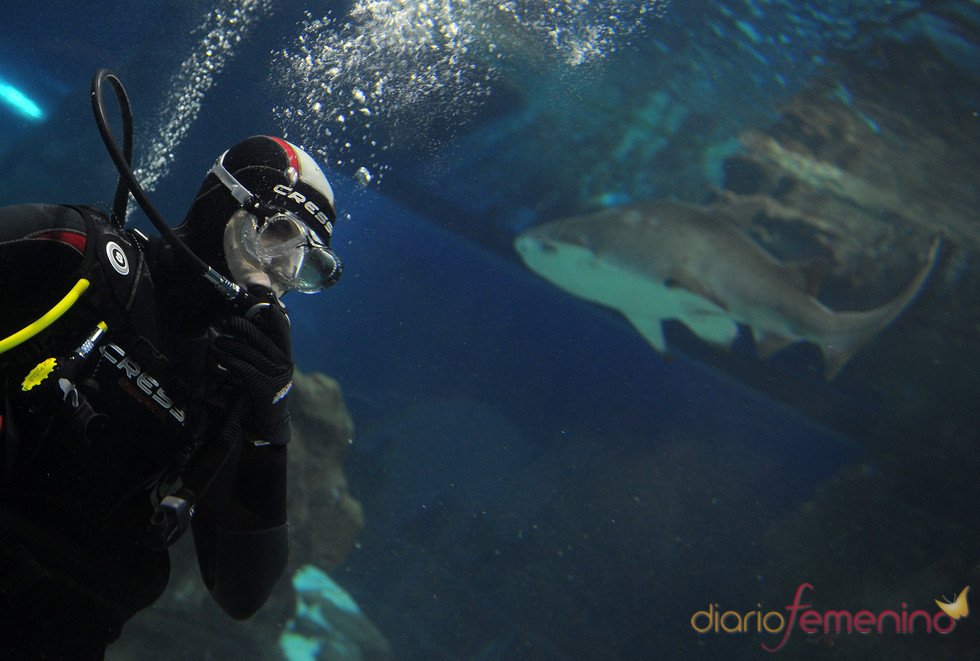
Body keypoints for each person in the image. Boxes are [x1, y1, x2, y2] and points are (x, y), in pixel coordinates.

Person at [0, 135, 342, 660]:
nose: (282, 273)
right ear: (223, 206)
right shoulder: (84, 255)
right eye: (276, 233)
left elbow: (241, 591)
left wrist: (269, 428)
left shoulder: (227, 392)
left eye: (307, 263)